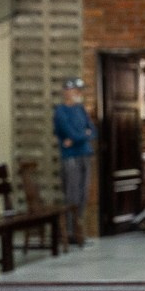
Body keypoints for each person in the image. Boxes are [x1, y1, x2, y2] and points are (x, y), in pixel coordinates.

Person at [53, 77, 96, 245]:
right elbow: (69, 133)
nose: (79, 93)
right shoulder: (61, 112)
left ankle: (79, 231)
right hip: (70, 157)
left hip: (85, 154)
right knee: (72, 195)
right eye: (75, 90)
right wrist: (82, 136)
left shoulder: (81, 109)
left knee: (84, 194)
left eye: (80, 90)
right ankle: (71, 233)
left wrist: (82, 136)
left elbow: (92, 131)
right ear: (66, 92)